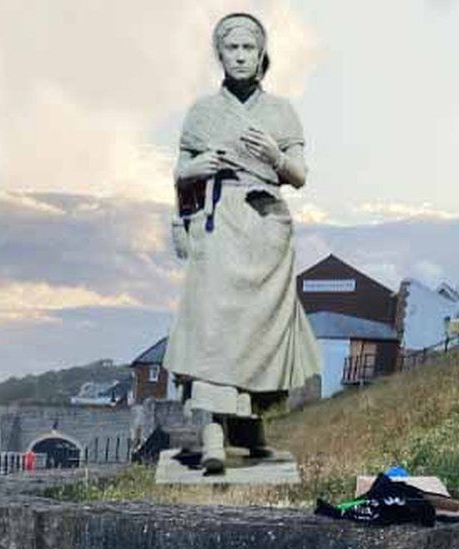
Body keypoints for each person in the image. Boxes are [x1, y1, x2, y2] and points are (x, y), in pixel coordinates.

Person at [162, 13, 321, 473]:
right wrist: (200, 166)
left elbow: (299, 175)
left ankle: (250, 431)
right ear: (220, 55)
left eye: (247, 49)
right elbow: (180, 172)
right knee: (213, 330)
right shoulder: (203, 113)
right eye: (231, 49)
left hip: (265, 232)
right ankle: (213, 432)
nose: (239, 57)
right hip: (218, 229)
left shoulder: (281, 112)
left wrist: (274, 155)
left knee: (260, 336)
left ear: (261, 54)